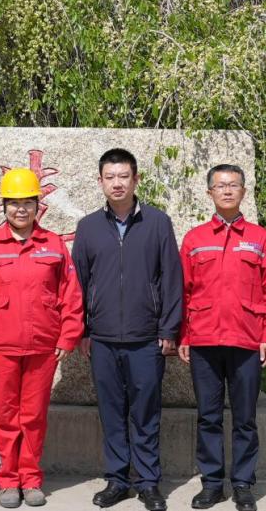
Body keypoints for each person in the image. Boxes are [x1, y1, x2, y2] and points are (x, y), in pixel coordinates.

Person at [0, 168, 84, 509]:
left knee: (34, 416)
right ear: (4, 206)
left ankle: (31, 479)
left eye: (28, 203)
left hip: (43, 347)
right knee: (6, 416)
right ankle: (8, 480)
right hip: (1, 348)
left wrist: (68, 337)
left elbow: (70, 295)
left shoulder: (54, 245)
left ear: (37, 206)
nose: (21, 209)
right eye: (14, 203)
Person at [71, 148, 183, 511]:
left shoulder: (158, 223)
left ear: (136, 180)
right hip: (102, 339)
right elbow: (78, 283)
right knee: (112, 412)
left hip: (146, 338)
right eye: (110, 177)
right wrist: (82, 330)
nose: (117, 183)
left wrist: (169, 329)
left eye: (124, 176)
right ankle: (117, 480)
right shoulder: (88, 227)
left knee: (146, 413)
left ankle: (148, 483)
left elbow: (172, 279)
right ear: (100, 181)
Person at [177, 164, 266, 511]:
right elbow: (183, 292)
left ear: (243, 191)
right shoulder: (195, 239)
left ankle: (242, 484)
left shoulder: (260, 239)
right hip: (204, 342)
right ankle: (212, 484)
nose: (226, 190)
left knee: (245, 418)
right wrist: (183, 335)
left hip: (246, 341)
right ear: (209, 192)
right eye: (220, 185)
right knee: (208, 417)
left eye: (233, 185)